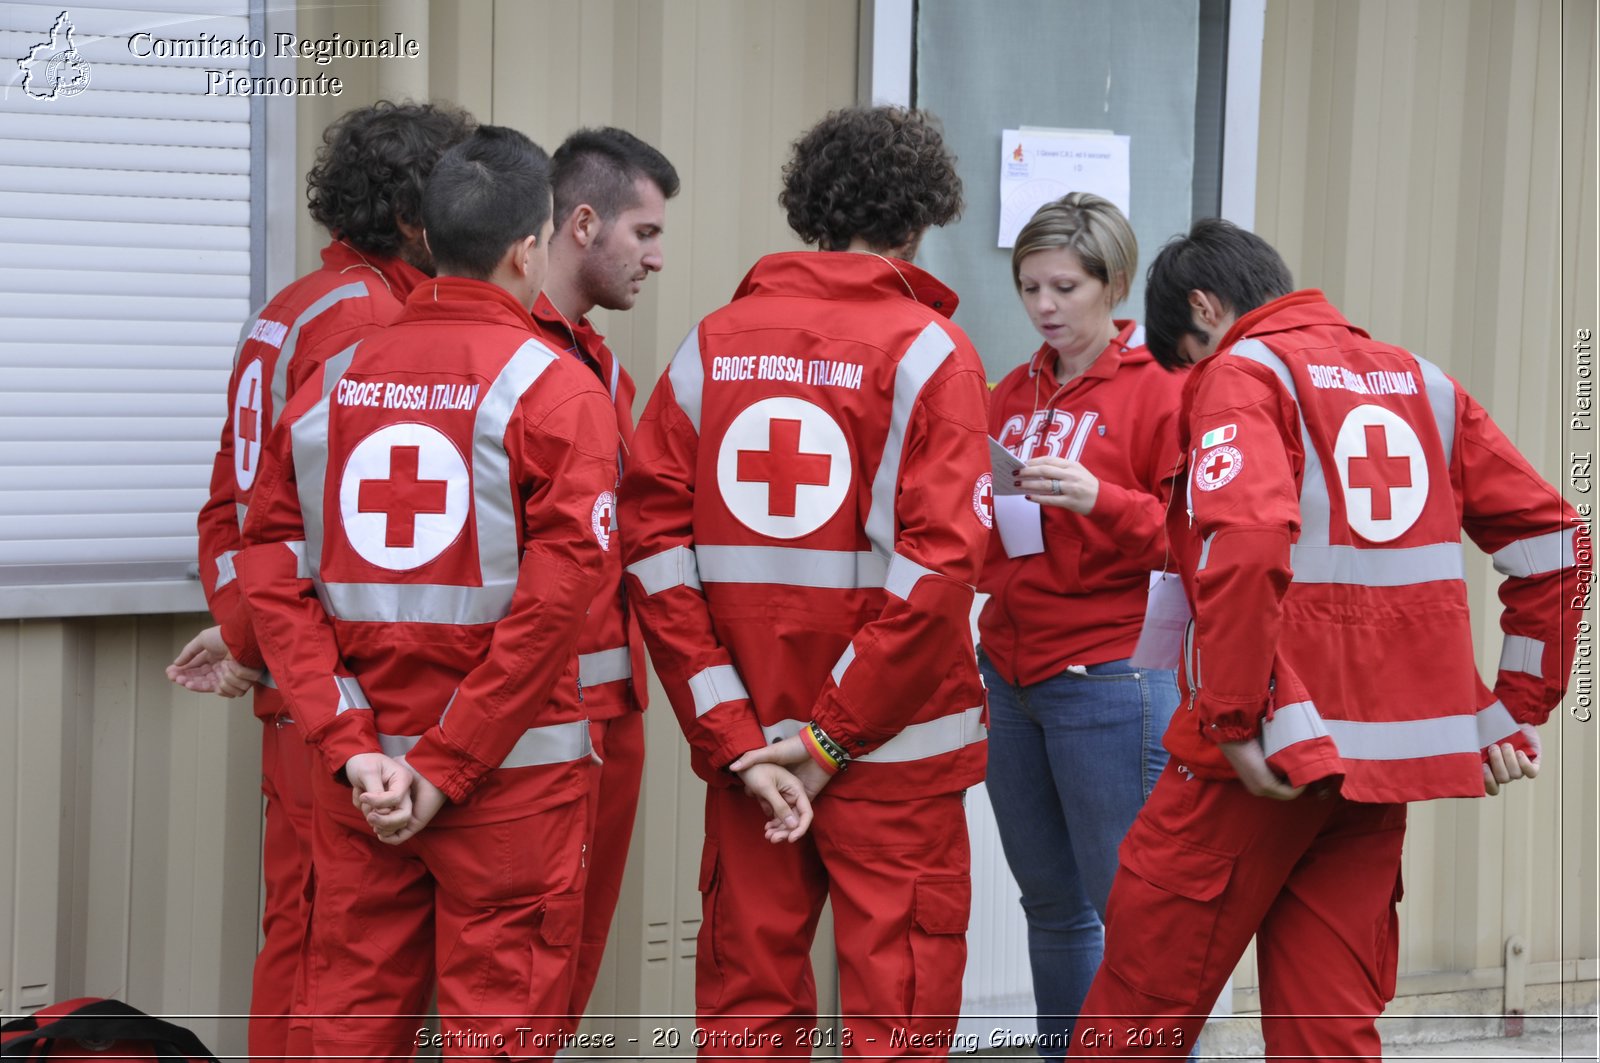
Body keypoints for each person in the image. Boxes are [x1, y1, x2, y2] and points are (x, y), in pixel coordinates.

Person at [1069, 219, 1585, 1061]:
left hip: (1258, 760)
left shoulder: (1244, 371)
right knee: (1329, 1031)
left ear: (1205, 306)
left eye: (1188, 358)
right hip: (1374, 776)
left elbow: (1244, 541)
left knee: (1136, 1016)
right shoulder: (1426, 383)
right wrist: (1511, 710)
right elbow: (1562, 546)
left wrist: (1234, 718)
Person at [218, 125, 618, 1061]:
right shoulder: (557, 393)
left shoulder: (329, 382)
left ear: (429, 240)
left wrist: (356, 750)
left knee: (350, 1030)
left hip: (361, 790)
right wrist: (446, 766)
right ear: (531, 248)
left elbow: (273, 575)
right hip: (510, 785)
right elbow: (554, 612)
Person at [621, 105, 991, 1057]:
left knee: (747, 1017)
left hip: (752, 767)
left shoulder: (711, 346)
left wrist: (742, 742)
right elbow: (942, 571)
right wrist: (826, 742)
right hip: (894, 763)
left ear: (810, 213)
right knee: (897, 1024)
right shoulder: (930, 353)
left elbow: (655, 558)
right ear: (918, 221)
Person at [164, 99, 473, 1063]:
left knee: (299, 932)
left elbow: (231, 499)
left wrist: (244, 635)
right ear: (419, 217)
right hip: (331, 684)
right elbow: (323, 520)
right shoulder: (372, 322)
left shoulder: (293, 304)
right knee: (331, 955)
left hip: (290, 672)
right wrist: (267, 648)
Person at [982, 193, 1184, 1060]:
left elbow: (1192, 535)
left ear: (1114, 284)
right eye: (1029, 287)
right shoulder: (1010, 390)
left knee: (1135, 916)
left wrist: (1102, 499)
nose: (1044, 306)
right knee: (1051, 906)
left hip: (1109, 677)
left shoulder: (1163, 392)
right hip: (1011, 675)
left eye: (1064, 286)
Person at [530, 126, 679, 1026]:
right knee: (520, 977)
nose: (658, 258)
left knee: (567, 967)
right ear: (583, 223)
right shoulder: (516, 362)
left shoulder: (602, 366)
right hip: (539, 725)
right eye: (646, 233)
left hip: (608, 718)